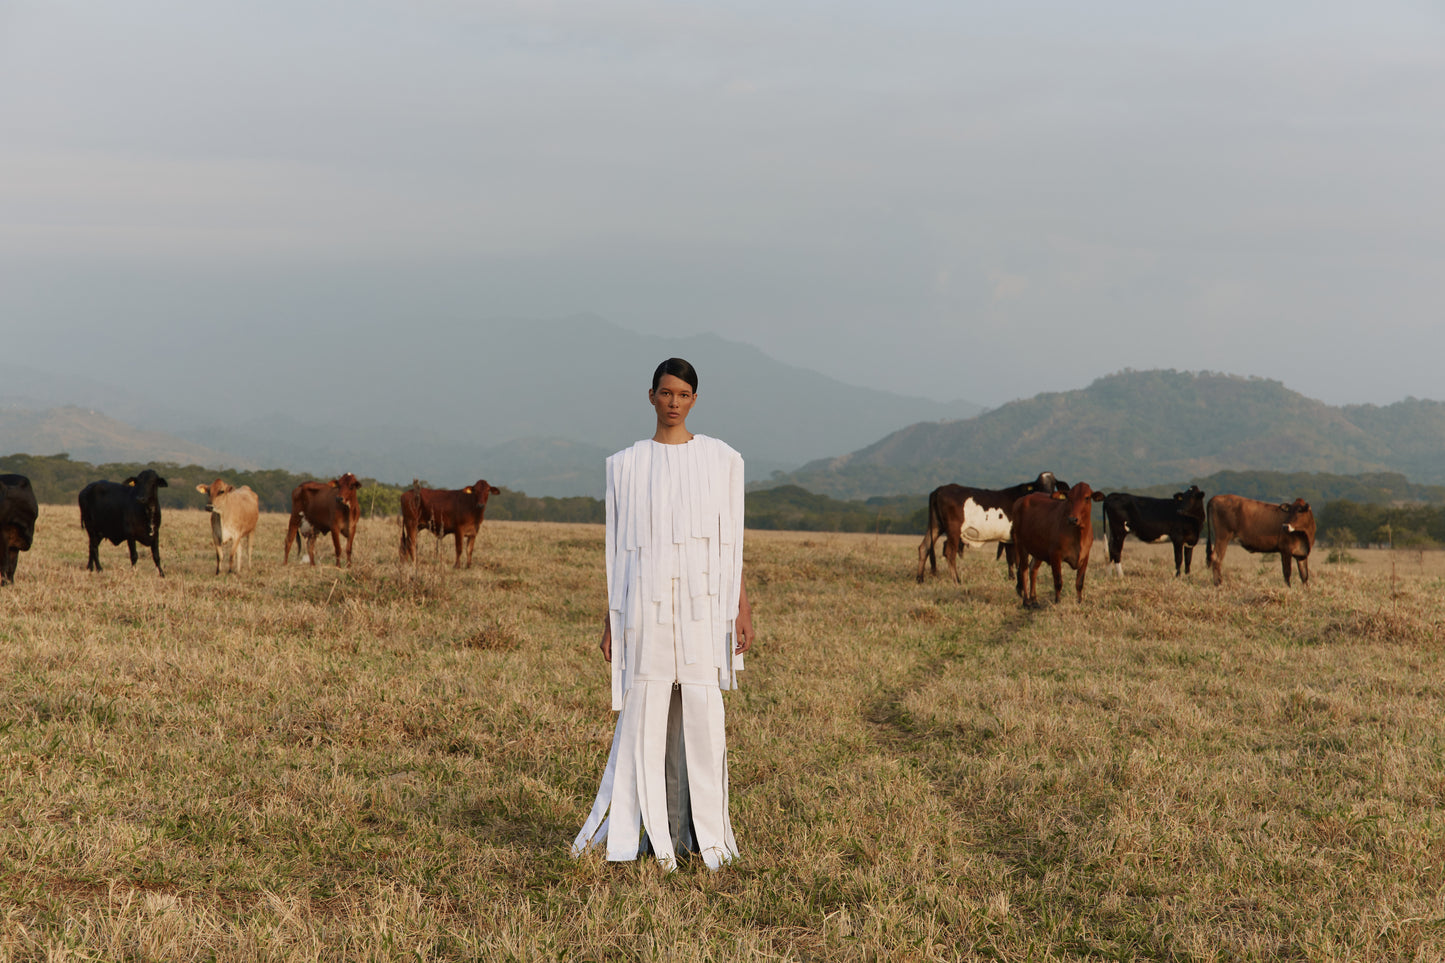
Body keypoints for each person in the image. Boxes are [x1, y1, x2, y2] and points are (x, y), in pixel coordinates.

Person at [572, 357, 755, 870]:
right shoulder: (626, 465)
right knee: (648, 709)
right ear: (650, 396)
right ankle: (650, 832)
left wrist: (740, 608)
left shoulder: (721, 460)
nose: (674, 402)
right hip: (645, 610)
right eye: (666, 393)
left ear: (695, 399)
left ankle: (701, 834)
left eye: (683, 394)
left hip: (702, 611)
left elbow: (729, 545)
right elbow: (620, 552)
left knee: (699, 713)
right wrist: (612, 620)